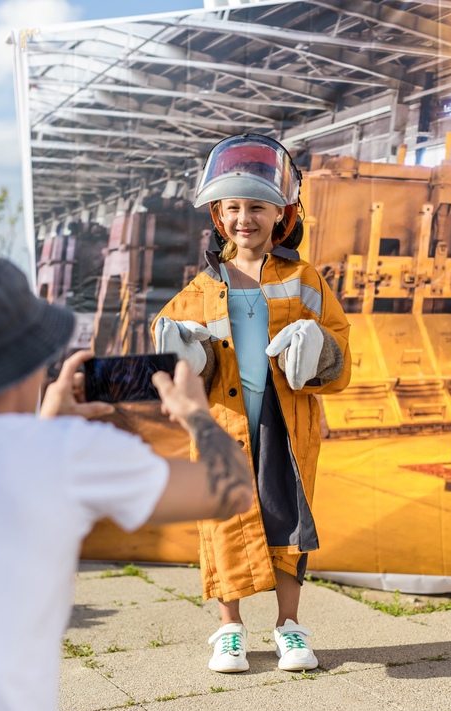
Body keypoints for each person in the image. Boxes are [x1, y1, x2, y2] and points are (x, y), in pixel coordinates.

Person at [0, 251, 253, 711]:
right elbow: (230, 488)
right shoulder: (58, 455)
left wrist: (44, 425)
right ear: (30, 363)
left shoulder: (45, 450)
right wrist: (196, 412)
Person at [153, 133, 352, 675]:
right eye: (234, 207)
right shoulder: (199, 288)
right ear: (219, 216)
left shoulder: (303, 279)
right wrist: (179, 347)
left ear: (281, 213)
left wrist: (320, 349)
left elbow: (339, 350)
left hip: (285, 426)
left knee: (288, 521)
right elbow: (170, 339)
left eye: (258, 207)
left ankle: (290, 628)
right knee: (223, 521)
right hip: (224, 424)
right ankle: (229, 630)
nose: (246, 218)